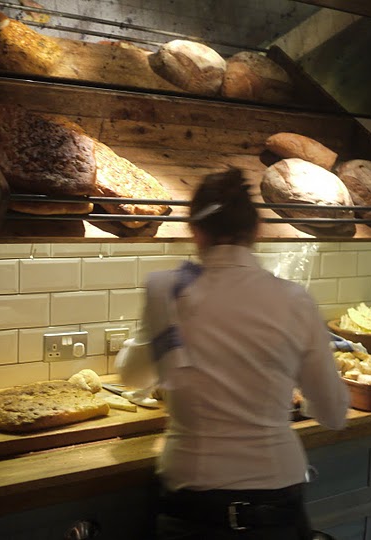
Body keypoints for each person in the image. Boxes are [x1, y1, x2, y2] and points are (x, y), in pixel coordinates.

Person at [115, 167, 350, 540]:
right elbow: (333, 413)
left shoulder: (165, 290)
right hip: (276, 506)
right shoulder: (294, 300)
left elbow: (131, 377)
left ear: (195, 231)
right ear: (257, 230)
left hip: (192, 508)